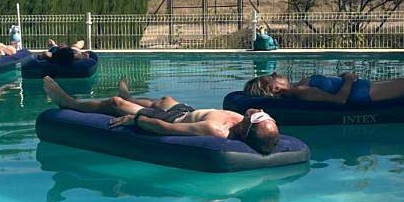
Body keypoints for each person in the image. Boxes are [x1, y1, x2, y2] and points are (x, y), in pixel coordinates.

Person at [43, 76, 281, 155]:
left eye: (260, 117)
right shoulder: (243, 120)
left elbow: (166, 130)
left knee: (116, 104)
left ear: (248, 128)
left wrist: (136, 120)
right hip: (186, 112)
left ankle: (70, 103)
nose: (260, 111)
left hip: (171, 120)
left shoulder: (216, 131)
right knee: (164, 100)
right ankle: (131, 96)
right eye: (267, 115)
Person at [243, 67, 404, 105]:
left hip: (364, 87)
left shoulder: (298, 86)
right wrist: (347, 79)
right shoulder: (299, 91)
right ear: (274, 89)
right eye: (271, 77)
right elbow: (338, 102)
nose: (276, 74)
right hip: (362, 94)